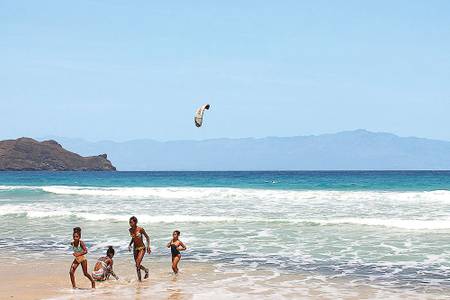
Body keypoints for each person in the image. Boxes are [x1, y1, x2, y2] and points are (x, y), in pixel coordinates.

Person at [128, 216, 151, 281]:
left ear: (135, 222)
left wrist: (148, 246)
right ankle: (143, 274)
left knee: (137, 263)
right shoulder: (130, 230)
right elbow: (133, 238)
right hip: (135, 248)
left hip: (142, 248)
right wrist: (130, 244)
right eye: (129, 222)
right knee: (137, 265)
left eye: (131, 222)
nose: (130, 224)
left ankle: (142, 276)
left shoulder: (140, 229)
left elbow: (147, 237)